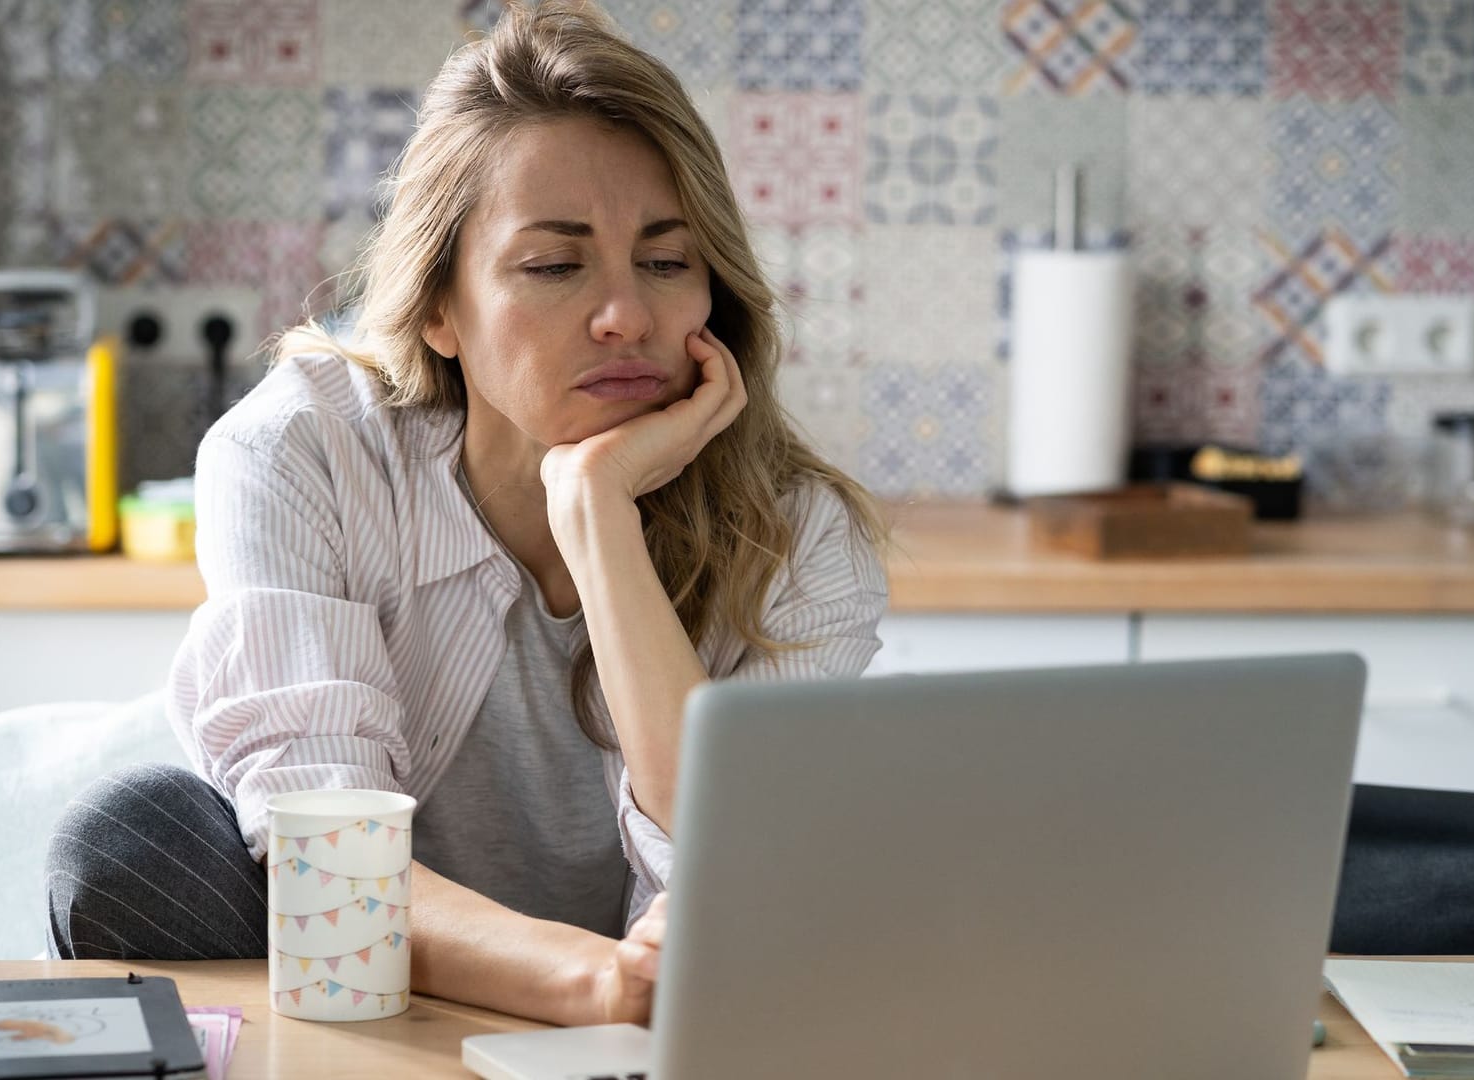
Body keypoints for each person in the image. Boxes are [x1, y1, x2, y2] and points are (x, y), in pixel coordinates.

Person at [45, 0, 887, 1027]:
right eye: (554, 264)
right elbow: (328, 852)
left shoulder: (797, 532)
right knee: (131, 838)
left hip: (659, 1030)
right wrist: (598, 981)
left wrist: (597, 515)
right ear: (439, 307)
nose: (625, 313)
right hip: (372, 989)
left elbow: (742, 866)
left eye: (668, 261)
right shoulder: (299, 453)